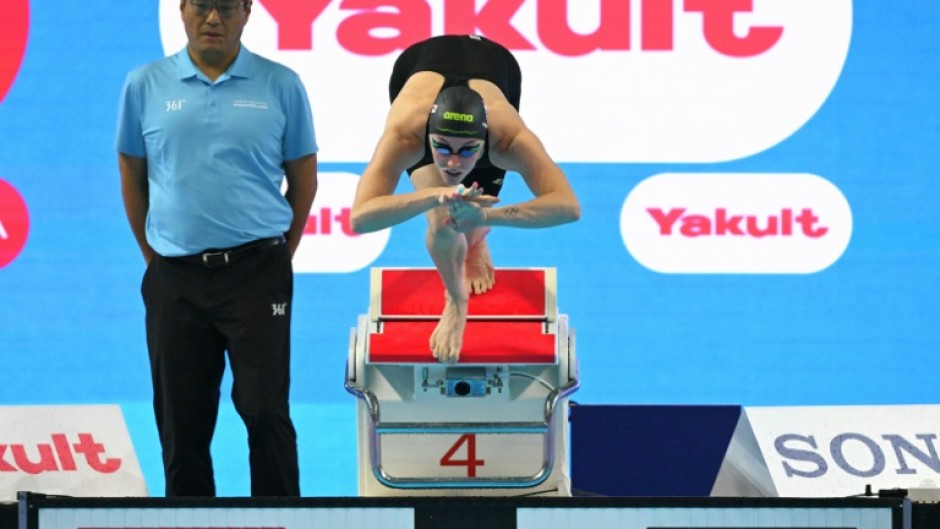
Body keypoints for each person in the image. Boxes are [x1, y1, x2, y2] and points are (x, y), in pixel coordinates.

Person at [115, 0, 317, 497]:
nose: (213, 19)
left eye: (226, 8)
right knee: (181, 421)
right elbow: (132, 174)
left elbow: (304, 182)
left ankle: (281, 520)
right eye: (202, 6)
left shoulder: (282, 84)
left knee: (265, 409)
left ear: (247, 12)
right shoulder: (144, 85)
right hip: (174, 278)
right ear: (182, 10)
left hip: (257, 273)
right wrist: (157, 259)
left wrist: (274, 258)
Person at [351, 34, 580, 364]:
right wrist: (434, 193)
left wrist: (488, 217)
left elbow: (568, 206)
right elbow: (361, 217)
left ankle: (476, 238)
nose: (453, 163)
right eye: (442, 148)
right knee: (444, 217)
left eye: (466, 151)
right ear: (428, 136)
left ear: (484, 141)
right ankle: (457, 302)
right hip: (417, 62)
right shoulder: (406, 134)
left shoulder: (508, 138)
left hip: (496, 63)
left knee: (471, 215)